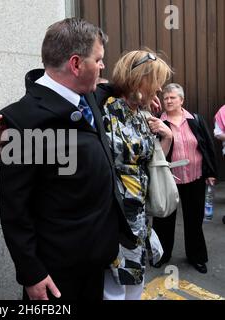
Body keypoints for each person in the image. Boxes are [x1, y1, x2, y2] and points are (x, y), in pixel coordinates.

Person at [0, 18, 138, 301]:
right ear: (75, 64)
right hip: (57, 275)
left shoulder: (87, 97)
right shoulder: (21, 121)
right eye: (98, 60)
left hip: (97, 262)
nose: (102, 67)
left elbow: (106, 88)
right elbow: (14, 208)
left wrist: (136, 85)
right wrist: (31, 273)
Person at [101, 50, 173, 300]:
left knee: (135, 284)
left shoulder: (141, 116)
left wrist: (167, 136)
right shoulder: (107, 111)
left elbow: (150, 164)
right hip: (117, 219)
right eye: (156, 81)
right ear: (139, 80)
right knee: (114, 290)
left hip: (139, 217)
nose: (161, 88)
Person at [152, 83, 217, 273]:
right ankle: (162, 254)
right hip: (169, 178)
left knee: (194, 219)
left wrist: (211, 172)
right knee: (164, 218)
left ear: (182, 100)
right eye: (166, 98)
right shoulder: (158, 123)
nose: (169, 101)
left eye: (173, 97)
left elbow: (207, 146)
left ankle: (196, 256)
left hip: (195, 177)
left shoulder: (195, 120)